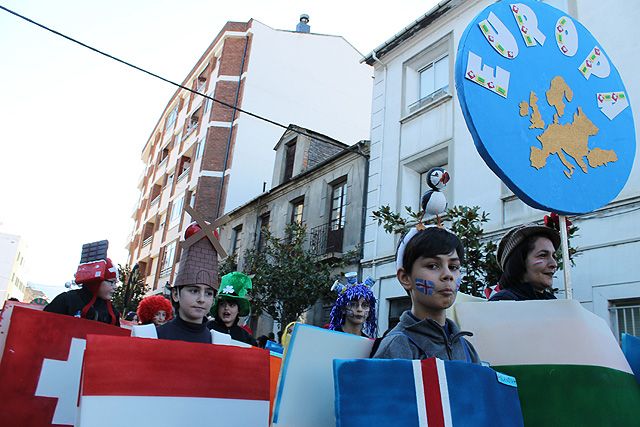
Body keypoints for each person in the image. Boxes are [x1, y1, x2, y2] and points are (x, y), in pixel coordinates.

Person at [373, 226, 480, 363]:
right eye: (432, 266)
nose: (448, 275)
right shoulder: (397, 347)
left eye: (453, 267)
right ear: (405, 278)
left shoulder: (466, 348)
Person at [489, 224, 560, 301]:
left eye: (554, 256)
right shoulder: (504, 301)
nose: (554, 264)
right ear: (518, 261)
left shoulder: (552, 301)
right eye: (542, 255)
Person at [44, 258, 120, 326]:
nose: (115, 287)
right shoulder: (66, 300)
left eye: (115, 283)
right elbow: (42, 326)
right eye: (112, 282)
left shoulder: (112, 312)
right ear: (97, 280)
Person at [207, 272, 257, 346]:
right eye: (222, 304)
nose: (226, 308)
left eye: (231, 305)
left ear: (238, 310)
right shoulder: (206, 330)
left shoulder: (246, 338)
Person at [329, 273, 377, 338]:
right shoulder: (329, 337)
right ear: (343, 309)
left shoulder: (370, 345)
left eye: (365, 305)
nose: (359, 309)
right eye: (353, 304)